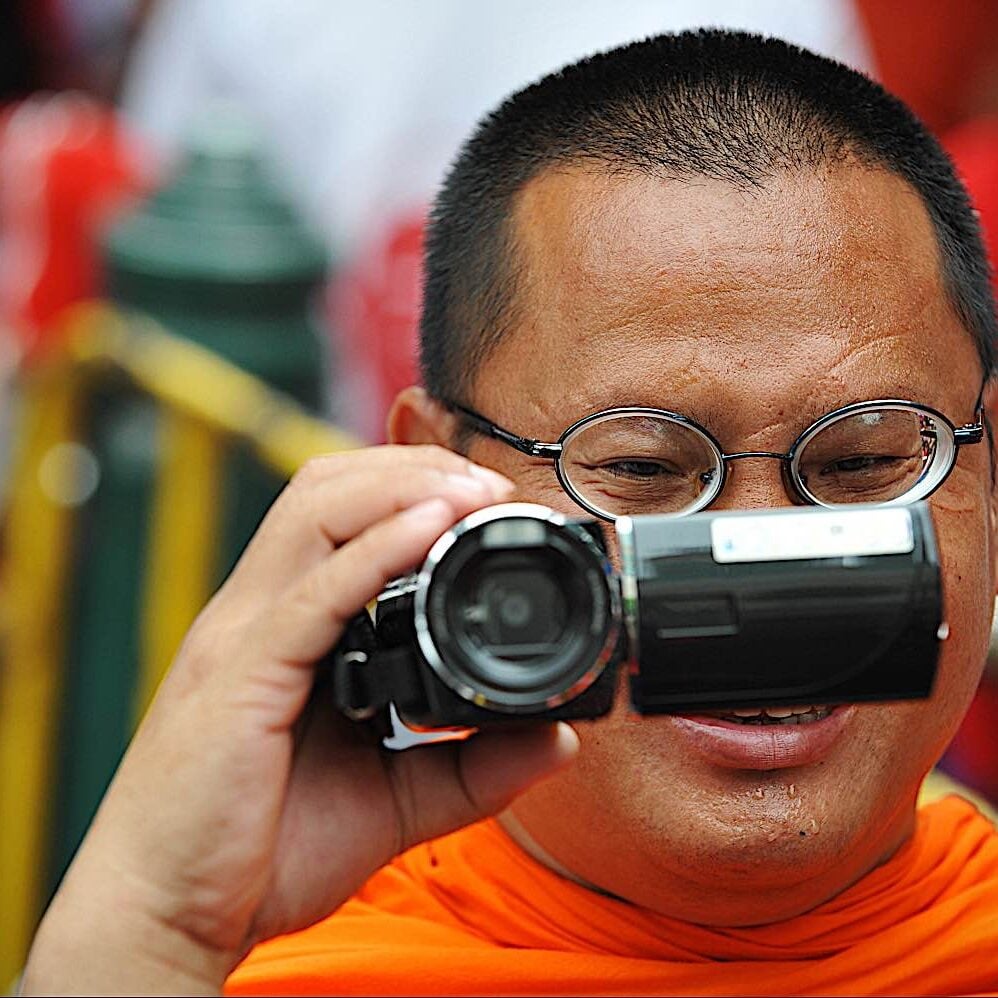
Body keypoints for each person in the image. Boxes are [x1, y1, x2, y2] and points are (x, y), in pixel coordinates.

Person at [22, 29, 998, 996]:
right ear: (430, 479)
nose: (763, 563)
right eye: (642, 465)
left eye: (865, 460)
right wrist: (152, 926)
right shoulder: (245, 967)